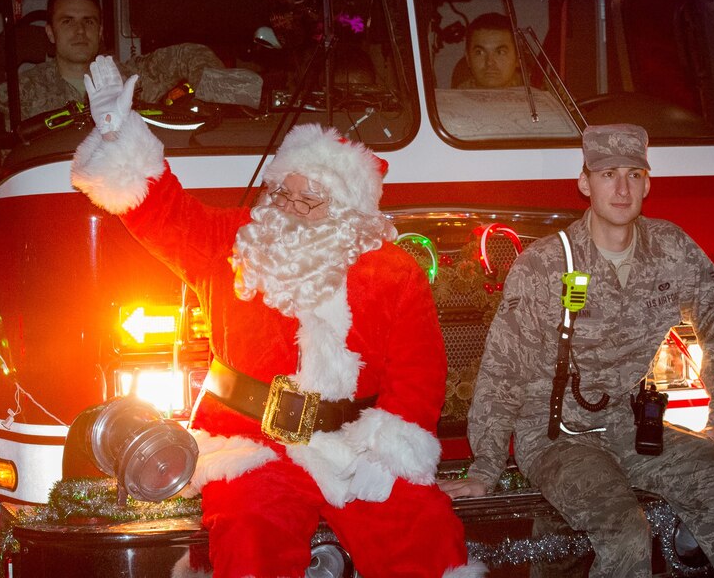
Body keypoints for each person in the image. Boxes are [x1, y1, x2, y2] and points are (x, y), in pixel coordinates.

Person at [70, 55, 486, 578]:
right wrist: (117, 138)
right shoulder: (238, 240)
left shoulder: (391, 271)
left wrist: (387, 452)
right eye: (283, 192)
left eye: (308, 202)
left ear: (347, 212)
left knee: (423, 538)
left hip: (351, 445)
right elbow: (162, 213)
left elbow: (418, 374)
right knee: (249, 539)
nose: (289, 208)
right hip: (250, 443)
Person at [440, 123, 714, 577]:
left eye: (634, 174)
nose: (622, 188)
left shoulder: (670, 248)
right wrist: (485, 467)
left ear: (648, 183)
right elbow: (504, 370)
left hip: (630, 427)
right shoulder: (544, 265)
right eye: (608, 174)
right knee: (624, 534)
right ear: (585, 183)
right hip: (555, 439)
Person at [0, 0, 234, 123]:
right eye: (67, 21)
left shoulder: (135, 78)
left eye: (88, 22)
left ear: (100, 32)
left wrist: (220, 102)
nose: (80, 31)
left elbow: (192, 55)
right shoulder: (19, 94)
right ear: (50, 32)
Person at [454, 13, 522, 89]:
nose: (489, 62)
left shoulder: (536, 97)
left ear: (517, 58)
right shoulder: (452, 98)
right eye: (479, 52)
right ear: (468, 59)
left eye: (500, 52)